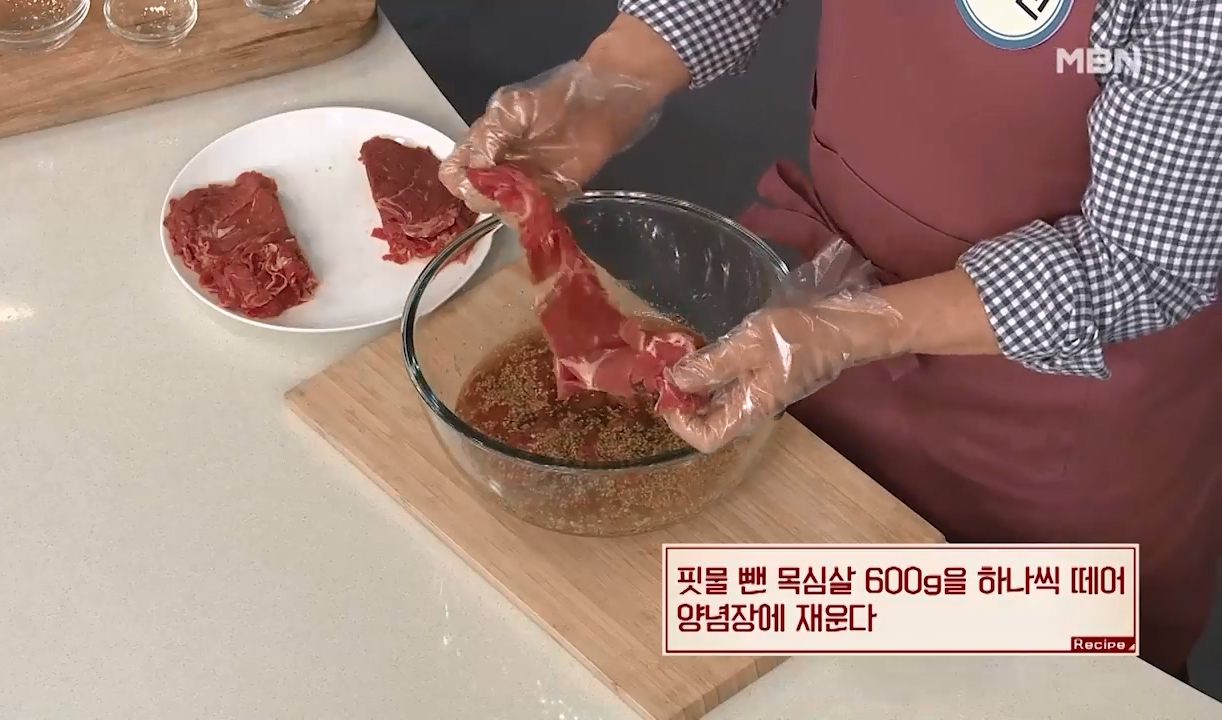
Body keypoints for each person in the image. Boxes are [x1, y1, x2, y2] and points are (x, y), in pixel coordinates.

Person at [439, 0, 1222, 679]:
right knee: (788, 661)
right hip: (822, 327)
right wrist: (611, 83)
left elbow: (1143, 260)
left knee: (1018, 686)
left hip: (1061, 431)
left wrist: (852, 328)